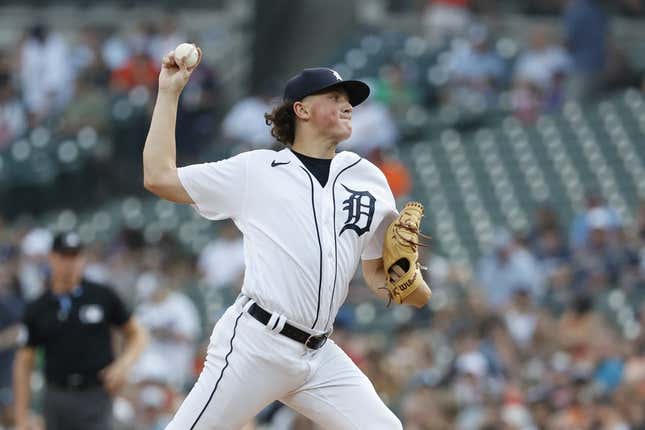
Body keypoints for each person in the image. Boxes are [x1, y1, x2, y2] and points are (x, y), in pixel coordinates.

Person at [143, 46, 431, 429]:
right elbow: (159, 177)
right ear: (302, 109)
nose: (347, 106)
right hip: (257, 344)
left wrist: (405, 281)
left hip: (318, 354)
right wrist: (169, 92)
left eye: (349, 101)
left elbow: (380, 278)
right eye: (335, 97)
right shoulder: (257, 170)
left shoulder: (368, 177)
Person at [13, 232, 148, 430]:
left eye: (74, 256)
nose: (69, 263)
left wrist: (124, 365)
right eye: (63, 256)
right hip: (56, 396)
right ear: (51, 258)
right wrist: (21, 416)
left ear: (82, 259)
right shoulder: (38, 307)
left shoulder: (101, 295)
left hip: (94, 394)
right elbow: (24, 362)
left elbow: (137, 333)